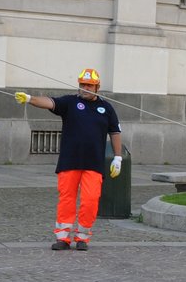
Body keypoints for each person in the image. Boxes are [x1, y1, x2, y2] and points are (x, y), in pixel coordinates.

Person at [16, 69, 123, 251]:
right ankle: (63, 238)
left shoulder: (106, 108)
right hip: (69, 160)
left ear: (97, 87)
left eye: (89, 85)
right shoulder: (70, 102)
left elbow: (115, 132)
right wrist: (29, 99)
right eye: (82, 84)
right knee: (67, 199)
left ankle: (82, 237)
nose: (85, 88)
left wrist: (118, 157)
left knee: (90, 200)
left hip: (94, 163)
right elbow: (50, 102)